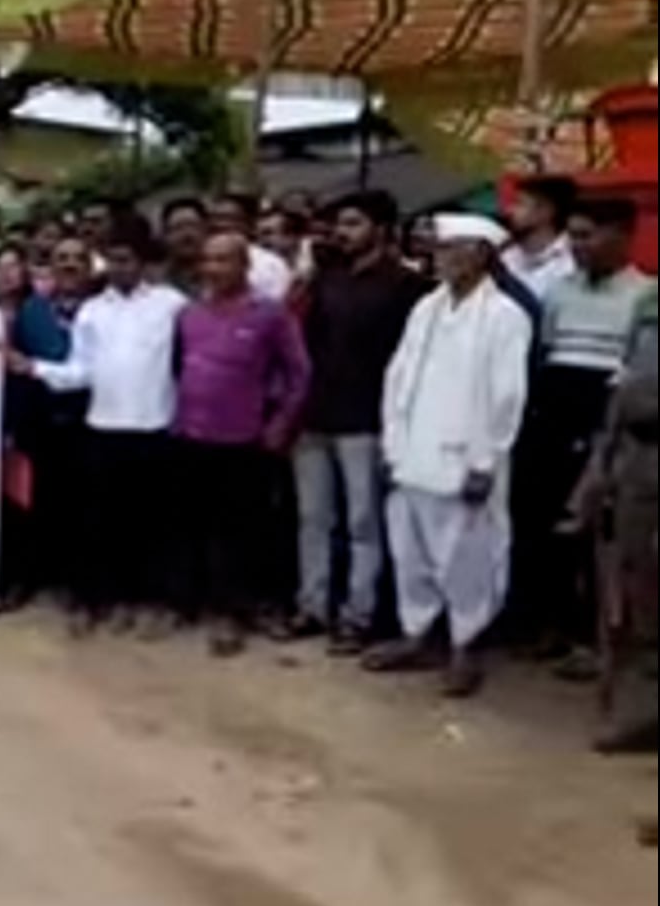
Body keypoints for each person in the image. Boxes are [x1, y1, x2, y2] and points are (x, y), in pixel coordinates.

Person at [367, 214, 533, 698]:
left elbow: (507, 397)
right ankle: (416, 635)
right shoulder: (426, 307)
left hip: (466, 457)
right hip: (413, 450)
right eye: (438, 248)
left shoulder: (505, 315)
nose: (440, 256)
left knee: (468, 555)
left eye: (451, 247)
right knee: (410, 549)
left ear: (481, 253)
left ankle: (466, 644)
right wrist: (392, 444)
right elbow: (398, 376)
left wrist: (485, 462)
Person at [16, 215, 187, 633]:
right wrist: (34, 368)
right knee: (105, 522)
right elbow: (82, 372)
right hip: (103, 428)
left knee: (155, 523)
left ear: (142, 262)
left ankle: (152, 602)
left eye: (126, 260)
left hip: (156, 427)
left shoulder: (171, 305)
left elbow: (186, 362)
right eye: (112, 260)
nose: (118, 268)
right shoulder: (92, 311)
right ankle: (101, 600)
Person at [280, 190, 430, 652]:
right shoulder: (327, 278)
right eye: (340, 225)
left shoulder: (409, 287)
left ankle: (358, 615)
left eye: (353, 224)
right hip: (315, 415)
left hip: (368, 419)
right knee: (313, 518)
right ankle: (312, 606)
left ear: (381, 230)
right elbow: (298, 340)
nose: (342, 234)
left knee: (364, 523)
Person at [514, 197, 654, 679]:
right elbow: (547, 352)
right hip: (553, 417)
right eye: (572, 235)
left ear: (623, 235)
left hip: (608, 424)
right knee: (544, 526)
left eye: (586, 235)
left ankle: (600, 640)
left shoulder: (645, 296)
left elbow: (636, 371)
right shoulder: (558, 292)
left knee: (601, 537)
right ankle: (551, 625)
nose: (576, 246)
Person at [172, 234, 311, 656]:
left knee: (238, 531)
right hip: (191, 434)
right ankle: (195, 602)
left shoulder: (269, 314)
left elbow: (299, 374)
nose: (214, 269)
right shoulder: (189, 314)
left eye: (224, 260)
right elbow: (178, 367)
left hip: (243, 439)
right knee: (195, 524)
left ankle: (234, 612)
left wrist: (280, 424)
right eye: (208, 260)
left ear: (244, 265)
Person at [568, 283, 658, 754]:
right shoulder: (648, 307)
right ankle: (638, 710)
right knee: (630, 594)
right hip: (633, 470)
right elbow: (620, 402)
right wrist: (594, 476)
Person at [9, 236, 96, 597]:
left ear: (90, 268)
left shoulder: (102, 309)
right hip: (41, 422)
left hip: (91, 421)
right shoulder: (31, 310)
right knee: (38, 501)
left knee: (85, 503)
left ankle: (80, 580)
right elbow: (16, 364)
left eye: (78, 258)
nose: (70, 265)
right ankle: (35, 576)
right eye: (62, 258)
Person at [502, 175, 579, 301]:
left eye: (520, 203)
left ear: (546, 211)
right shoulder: (506, 257)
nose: (510, 211)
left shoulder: (572, 261)